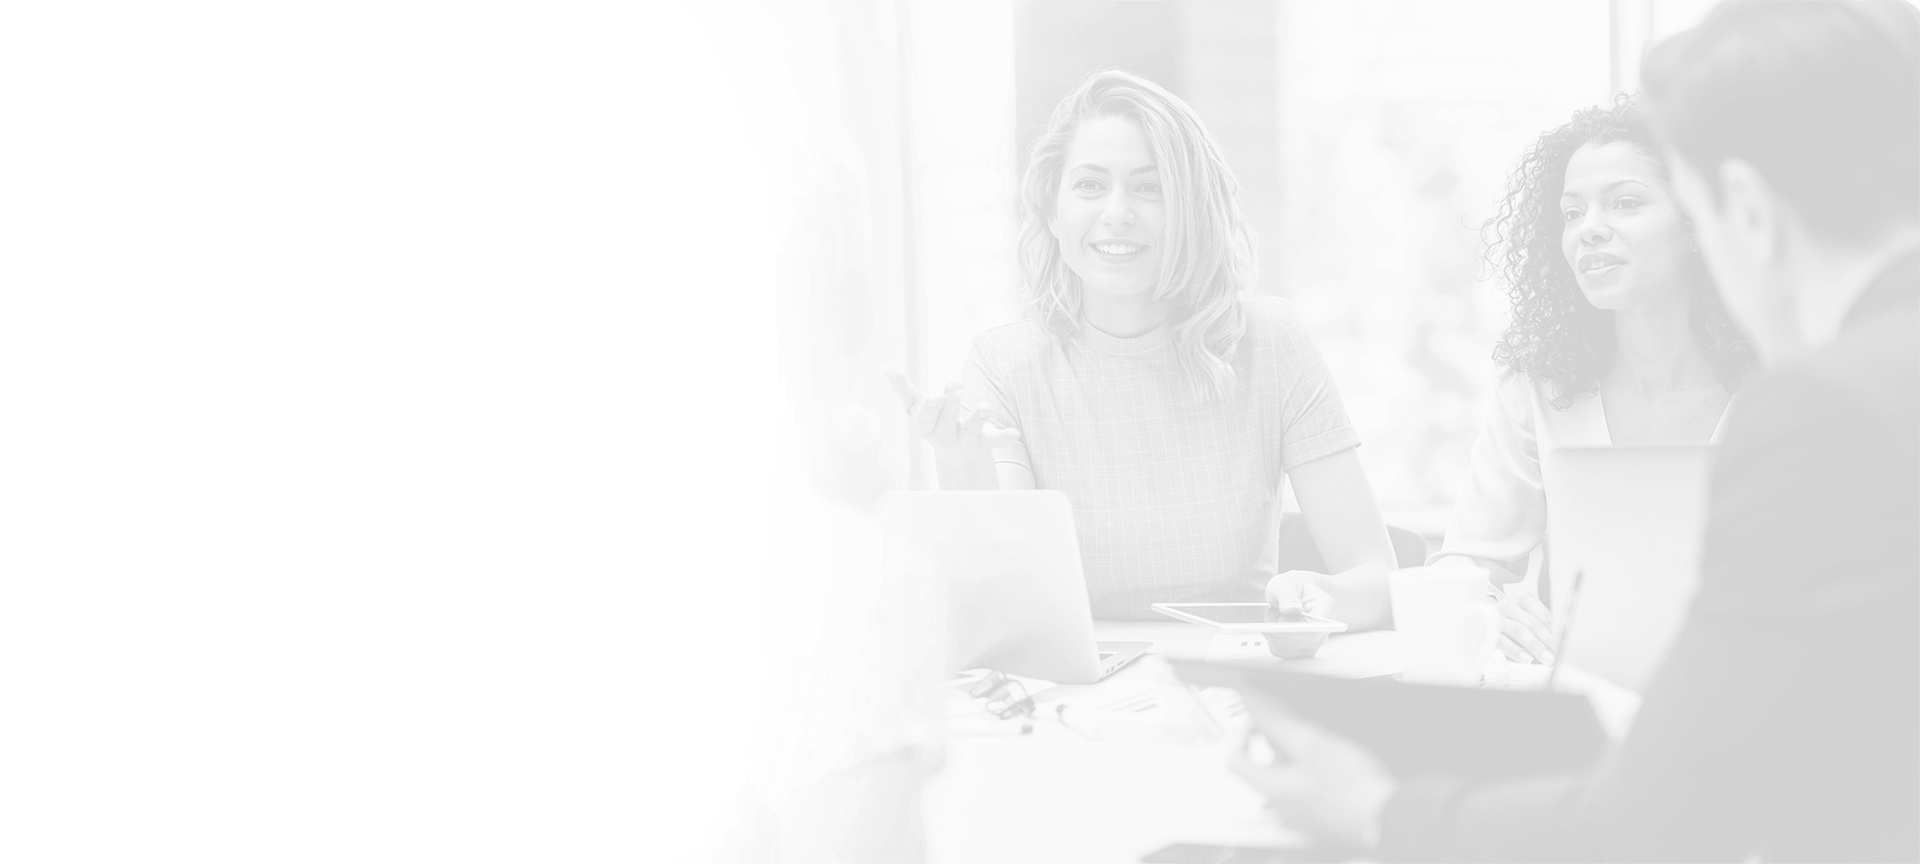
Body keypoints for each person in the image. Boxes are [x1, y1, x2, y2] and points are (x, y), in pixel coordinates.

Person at [1225, 0, 1920, 859]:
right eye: (1570, 213)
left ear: (1736, 210)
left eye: (1651, 202)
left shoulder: (1829, 410)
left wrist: (1379, 811)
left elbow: (1669, 811)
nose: (1591, 232)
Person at [882, 67, 1397, 660]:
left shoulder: (1270, 341)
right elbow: (1004, 589)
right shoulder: (1003, 362)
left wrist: (1325, 596)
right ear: (1052, 213)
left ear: (1192, 211)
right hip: (1071, 687)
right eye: (1090, 186)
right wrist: (962, 465)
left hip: (1235, 675)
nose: (1118, 212)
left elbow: (1376, 575)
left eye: (1149, 188)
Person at [1428, 93, 1757, 665]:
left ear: (1695, 219)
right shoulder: (1540, 383)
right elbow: (1464, 561)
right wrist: (1488, 604)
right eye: (1572, 213)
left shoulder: (1782, 380)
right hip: (1583, 684)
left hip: (1747, 679)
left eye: (1625, 204)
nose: (1589, 231)